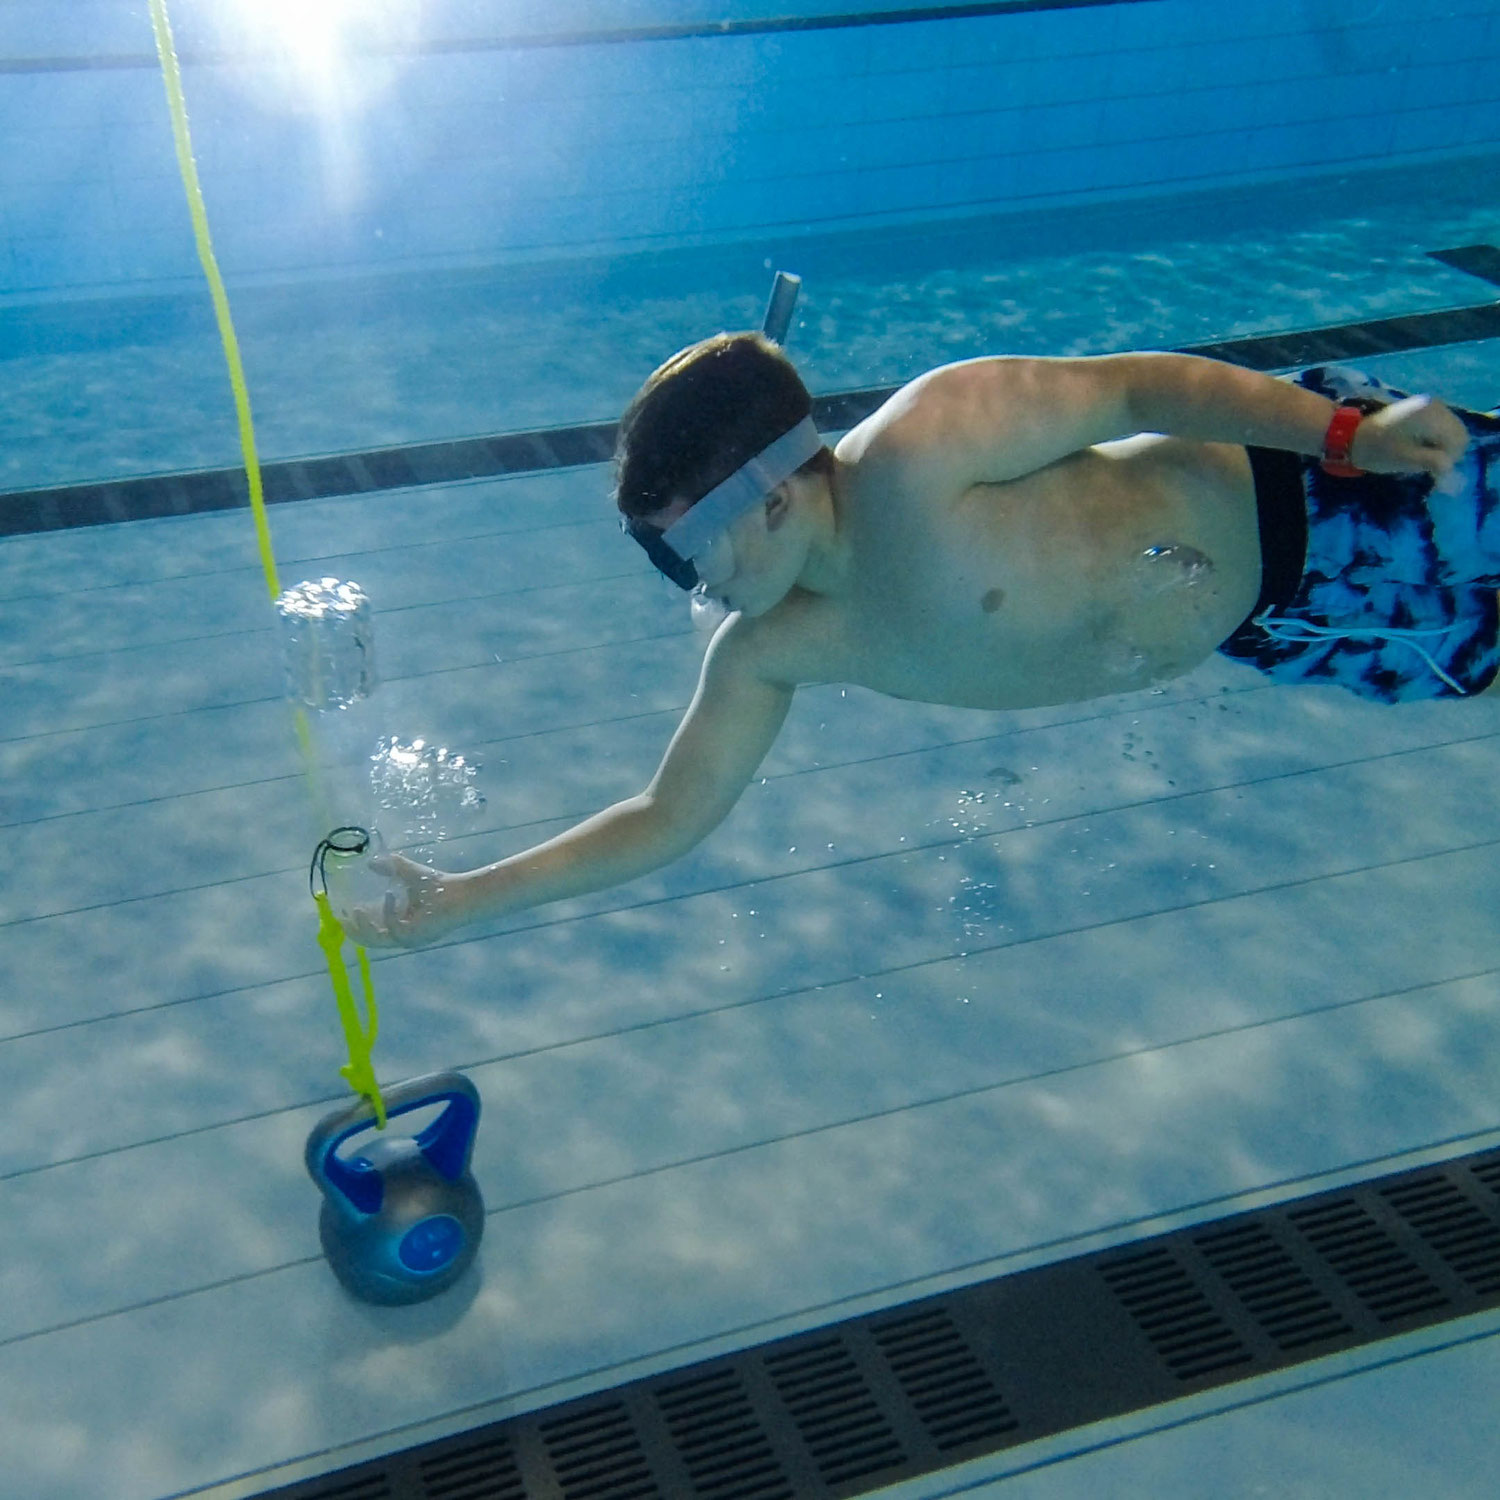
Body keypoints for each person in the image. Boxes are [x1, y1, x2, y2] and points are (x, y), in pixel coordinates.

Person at [347, 333, 1491, 948]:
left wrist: (1349, 433)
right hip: (1295, 626)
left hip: (1334, 490)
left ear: (775, 497)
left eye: (686, 549)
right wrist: (465, 896)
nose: (690, 584)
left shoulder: (931, 446)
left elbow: (1147, 386)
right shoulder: (777, 645)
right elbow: (665, 818)